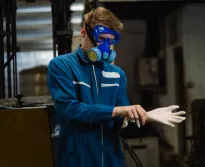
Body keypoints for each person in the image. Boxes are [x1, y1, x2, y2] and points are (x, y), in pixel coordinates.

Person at [47, 7, 186, 167]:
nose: (105, 46)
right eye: (101, 38)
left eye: (110, 40)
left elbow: (119, 120)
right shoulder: (62, 66)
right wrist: (119, 111)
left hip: (111, 158)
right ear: (84, 33)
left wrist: (143, 116)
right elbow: (69, 110)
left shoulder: (117, 74)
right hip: (78, 158)